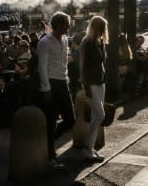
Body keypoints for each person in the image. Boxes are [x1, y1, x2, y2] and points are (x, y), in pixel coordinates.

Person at [36, 12, 75, 157]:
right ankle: (50, 154)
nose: (68, 28)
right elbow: (42, 66)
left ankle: (46, 143)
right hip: (51, 83)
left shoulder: (64, 40)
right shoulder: (45, 42)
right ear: (58, 25)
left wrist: (67, 79)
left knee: (70, 119)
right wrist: (46, 88)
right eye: (66, 25)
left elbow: (64, 62)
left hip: (63, 82)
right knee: (51, 120)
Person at [80, 16, 107, 162]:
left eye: (104, 27)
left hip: (101, 81)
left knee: (94, 116)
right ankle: (87, 147)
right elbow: (84, 66)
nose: (103, 30)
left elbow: (101, 62)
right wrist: (86, 85)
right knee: (100, 115)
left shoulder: (100, 41)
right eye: (101, 27)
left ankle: (90, 148)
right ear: (95, 27)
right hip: (92, 83)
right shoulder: (88, 42)